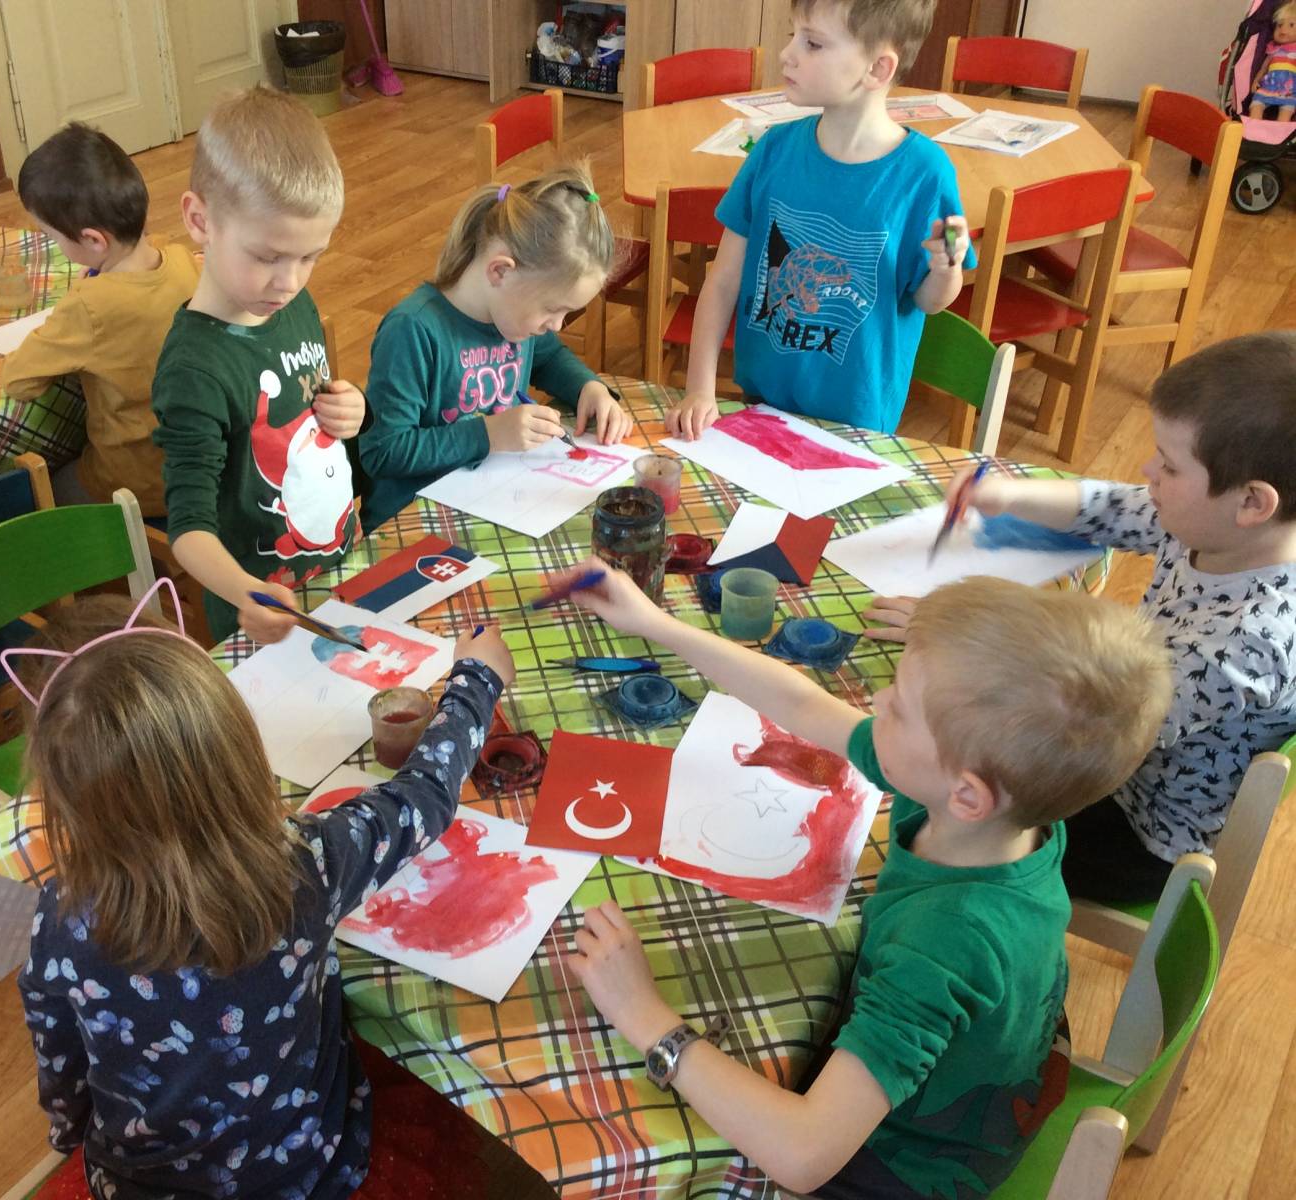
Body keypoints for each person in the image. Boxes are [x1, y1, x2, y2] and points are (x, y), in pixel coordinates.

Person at [551, 560, 1170, 1197]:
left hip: (916, 1168)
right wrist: (654, 623)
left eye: (898, 708)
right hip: (980, 1073)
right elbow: (800, 702)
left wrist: (645, 1016)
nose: (876, 703)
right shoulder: (1001, 814)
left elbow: (802, 1154)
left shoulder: (947, 941)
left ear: (968, 794)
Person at [10, 585, 554, 1200]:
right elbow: (423, 797)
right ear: (239, 748)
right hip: (306, 1175)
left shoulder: (60, 920)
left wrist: (71, 1139)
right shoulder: (305, 866)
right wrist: (477, 678)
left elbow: (64, 1080)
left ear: (63, 798)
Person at [868, 332, 1296, 904]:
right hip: (1111, 753)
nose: (1147, 470)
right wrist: (1009, 498)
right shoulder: (1217, 528)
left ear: (1252, 502)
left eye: (1169, 467)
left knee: (937, 793)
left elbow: (1086, 726)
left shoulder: (1247, 643)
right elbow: (1111, 508)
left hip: (1140, 831)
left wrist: (966, 634)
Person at [666, 0, 971, 441]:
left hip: (858, 426)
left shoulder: (926, 173)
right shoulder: (773, 150)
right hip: (760, 403)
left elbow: (929, 301)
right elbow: (723, 281)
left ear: (877, 69)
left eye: (812, 43)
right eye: (792, 35)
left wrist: (947, 269)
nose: (787, 54)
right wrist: (699, 389)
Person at [152, 87, 365, 643]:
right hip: (263, 614)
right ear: (199, 220)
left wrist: (352, 408)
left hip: (341, 568)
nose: (289, 281)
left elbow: (313, 412)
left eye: (310, 257)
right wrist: (245, 592)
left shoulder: (290, 304)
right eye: (267, 257)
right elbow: (189, 528)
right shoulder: (194, 370)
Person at [359, 164, 630, 528]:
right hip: (413, 522)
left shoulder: (511, 316)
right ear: (500, 271)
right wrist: (488, 434)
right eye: (553, 309)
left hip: (490, 502)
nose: (557, 325)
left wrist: (588, 388)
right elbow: (383, 451)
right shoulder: (413, 330)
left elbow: (549, 358)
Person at [1, 121, 200, 517]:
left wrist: (77, 300)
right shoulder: (183, 262)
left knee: (38, 494)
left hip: (138, 484)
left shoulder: (89, 306)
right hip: (203, 467)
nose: (56, 245)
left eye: (53, 237)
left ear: (93, 240)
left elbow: (18, 381)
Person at [1249, 2, 1296, 121]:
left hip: (1289, 90)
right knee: (1256, 104)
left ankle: (1281, 129)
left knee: (1287, 110)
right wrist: (1256, 81)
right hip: (1268, 86)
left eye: (1291, 25)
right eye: (1279, 25)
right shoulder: (1273, 49)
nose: (1283, 30)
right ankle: (1254, 125)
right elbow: (1264, 68)